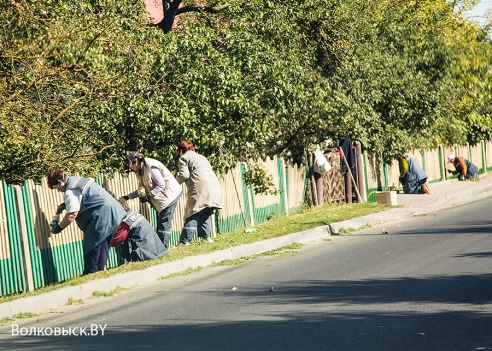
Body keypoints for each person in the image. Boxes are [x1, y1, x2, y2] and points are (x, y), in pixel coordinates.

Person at [122, 152, 182, 251]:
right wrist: (128, 197)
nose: (131, 169)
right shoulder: (139, 171)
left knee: (164, 223)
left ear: (136, 161)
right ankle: (160, 248)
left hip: (170, 195)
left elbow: (161, 184)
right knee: (161, 222)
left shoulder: (150, 166)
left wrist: (149, 196)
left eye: (131, 166)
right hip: (162, 197)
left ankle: (163, 250)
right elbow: (142, 189)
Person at [176, 140, 222, 245]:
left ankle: (184, 241)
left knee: (193, 212)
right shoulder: (202, 157)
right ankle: (206, 238)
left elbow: (184, 175)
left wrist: (174, 183)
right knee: (205, 211)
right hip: (213, 186)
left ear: (181, 150)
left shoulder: (183, 158)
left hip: (200, 187)